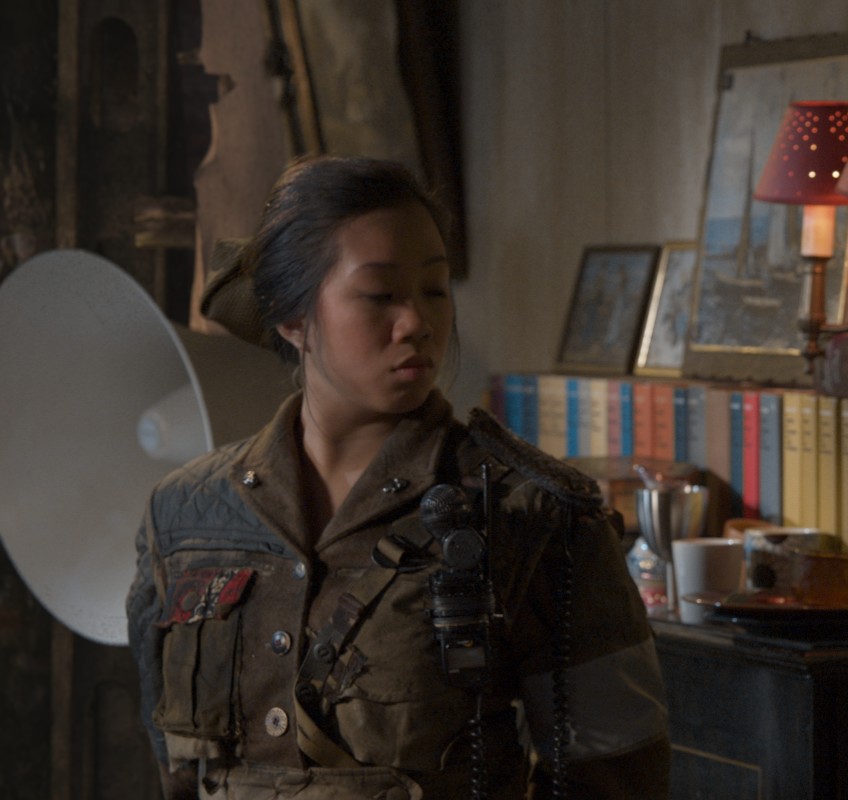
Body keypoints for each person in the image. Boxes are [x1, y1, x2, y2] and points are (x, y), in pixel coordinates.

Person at [126, 156, 671, 798]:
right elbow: (178, 770)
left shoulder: (530, 514)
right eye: (381, 294)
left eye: (434, 289)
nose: (416, 322)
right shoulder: (186, 515)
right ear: (293, 319)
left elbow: (616, 775)